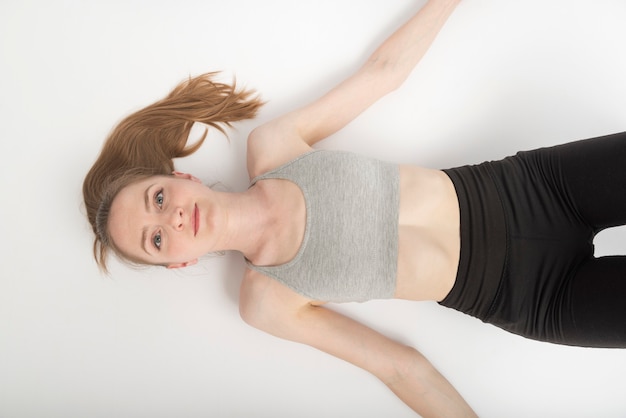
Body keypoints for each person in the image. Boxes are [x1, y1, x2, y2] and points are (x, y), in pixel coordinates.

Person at [83, 0, 626, 416]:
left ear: (180, 177)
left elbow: (384, 73)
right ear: (176, 262)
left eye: (157, 199)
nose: (172, 218)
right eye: (156, 239)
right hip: (534, 298)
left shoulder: (273, 148)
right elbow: (397, 366)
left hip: (535, 189)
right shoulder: (266, 299)